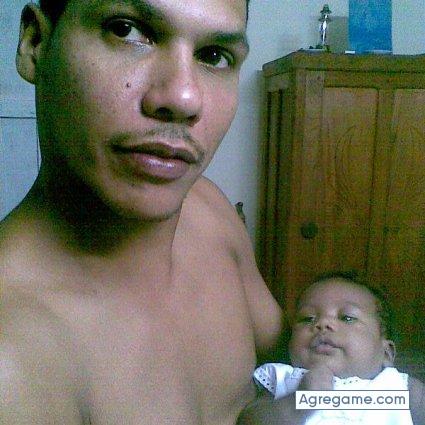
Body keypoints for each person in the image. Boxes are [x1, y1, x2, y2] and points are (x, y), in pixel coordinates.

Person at [0, 1, 283, 424]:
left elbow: (301, 375)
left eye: (213, 56)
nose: (184, 98)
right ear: (35, 43)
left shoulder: (210, 211)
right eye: (126, 30)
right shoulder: (11, 361)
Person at [237, 272, 425, 424]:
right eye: (307, 318)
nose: (323, 323)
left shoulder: (398, 388)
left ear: (386, 353)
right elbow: (248, 420)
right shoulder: (283, 379)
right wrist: (297, 404)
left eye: (347, 318)